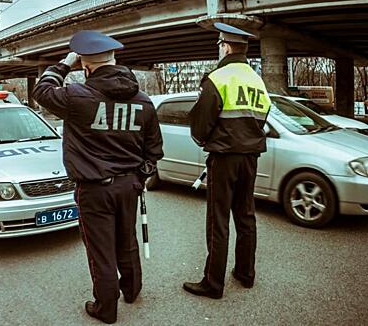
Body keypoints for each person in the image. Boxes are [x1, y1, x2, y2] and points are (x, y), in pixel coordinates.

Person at [32, 30, 163, 324]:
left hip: (94, 188)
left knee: (101, 249)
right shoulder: (143, 101)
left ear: (85, 66)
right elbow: (154, 150)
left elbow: (41, 92)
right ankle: (131, 289)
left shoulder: (76, 97)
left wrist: (64, 64)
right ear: (115, 59)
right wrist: (138, 177)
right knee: (126, 240)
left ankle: (106, 308)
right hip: (130, 185)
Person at [184, 23, 271, 299]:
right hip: (250, 159)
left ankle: (213, 283)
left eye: (220, 45)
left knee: (218, 219)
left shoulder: (218, 77)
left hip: (223, 159)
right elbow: (264, 115)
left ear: (226, 46)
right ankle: (245, 274)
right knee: (246, 216)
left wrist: (204, 140)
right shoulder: (257, 81)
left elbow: (201, 123)